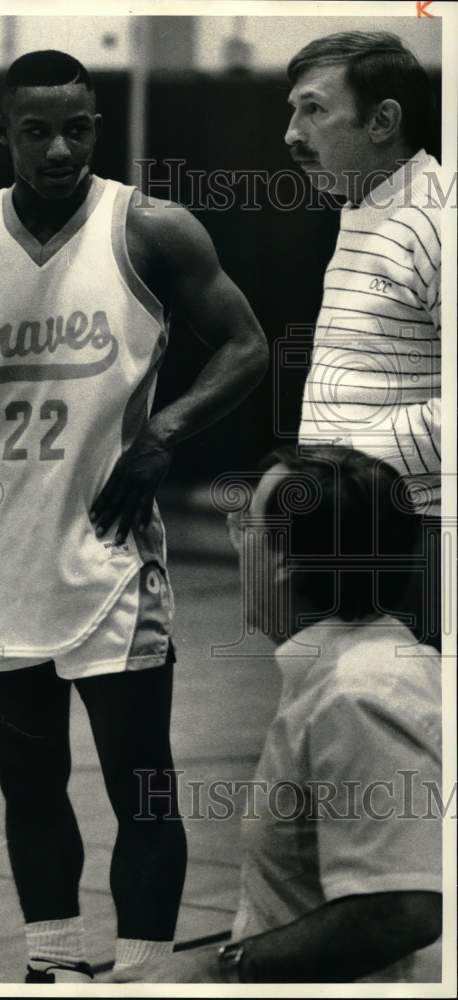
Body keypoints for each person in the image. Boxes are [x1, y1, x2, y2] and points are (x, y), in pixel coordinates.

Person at [0, 50, 269, 984]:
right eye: (37, 130)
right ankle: (53, 964)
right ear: (3, 133)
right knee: (29, 785)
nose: (60, 147)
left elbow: (246, 346)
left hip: (110, 557)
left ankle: (141, 973)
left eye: (79, 128)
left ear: (97, 126)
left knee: (141, 786)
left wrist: (167, 432)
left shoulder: (151, 230)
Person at [173, 444, 442, 983]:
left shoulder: (358, 694)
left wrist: (220, 971)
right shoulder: (355, 663)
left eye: (243, 527)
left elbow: (400, 910)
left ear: (283, 561)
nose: (235, 542)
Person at [284, 31, 442, 650]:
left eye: (314, 109)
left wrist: (340, 471)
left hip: (414, 541)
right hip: (351, 530)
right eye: (292, 109)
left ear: (383, 120)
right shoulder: (366, 205)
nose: (291, 133)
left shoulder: (437, 219)